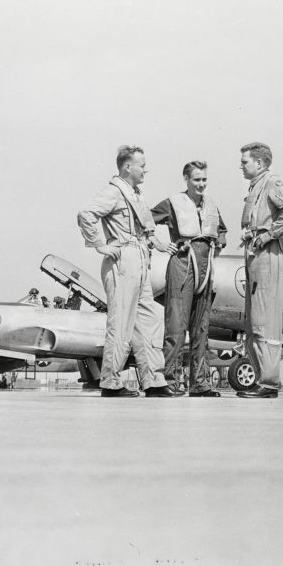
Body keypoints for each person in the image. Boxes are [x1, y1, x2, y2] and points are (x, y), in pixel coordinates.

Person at [77, 145, 176, 398]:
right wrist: (100, 245)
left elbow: (146, 227)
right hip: (123, 260)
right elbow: (86, 213)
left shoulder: (134, 193)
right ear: (127, 166)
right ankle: (110, 382)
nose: (146, 169)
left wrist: (157, 243)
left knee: (148, 321)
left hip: (141, 258)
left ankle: (153, 380)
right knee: (121, 323)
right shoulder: (114, 192)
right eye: (141, 165)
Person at [152, 161, 228, 397]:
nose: (201, 184)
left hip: (206, 267)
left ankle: (200, 383)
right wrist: (160, 244)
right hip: (182, 264)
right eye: (196, 180)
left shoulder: (212, 205)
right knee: (176, 326)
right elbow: (144, 220)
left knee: (201, 328)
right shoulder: (173, 202)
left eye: (204, 179)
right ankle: (169, 381)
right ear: (186, 179)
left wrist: (218, 246)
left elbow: (222, 231)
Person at [237, 142, 283, 398]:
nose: (241, 166)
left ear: (260, 163)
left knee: (265, 321)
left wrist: (269, 235)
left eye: (245, 162)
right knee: (254, 321)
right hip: (256, 254)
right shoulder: (257, 185)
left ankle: (269, 382)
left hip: (267, 254)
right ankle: (260, 378)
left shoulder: (271, 183)